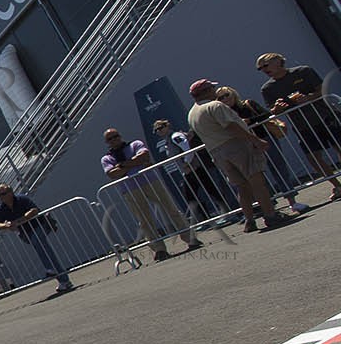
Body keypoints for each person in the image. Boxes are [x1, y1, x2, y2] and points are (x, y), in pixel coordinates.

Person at [188, 79, 290, 234]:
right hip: (236, 146)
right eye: (212, 88)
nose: (215, 91)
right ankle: (271, 215)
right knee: (257, 182)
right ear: (206, 91)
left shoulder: (192, 113)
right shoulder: (215, 106)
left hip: (217, 151)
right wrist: (254, 139)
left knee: (242, 187)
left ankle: (249, 220)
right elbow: (231, 125)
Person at [100, 127, 204, 262]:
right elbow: (112, 174)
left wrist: (122, 165)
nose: (114, 140)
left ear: (120, 136)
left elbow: (144, 156)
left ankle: (190, 238)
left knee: (171, 209)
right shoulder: (106, 158)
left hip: (151, 181)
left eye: (116, 136)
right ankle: (159, 249)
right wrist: (134, 162)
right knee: (144, 220)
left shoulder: (135, 144)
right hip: (130, 189)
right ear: (107, 142)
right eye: (110, 138)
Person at [257, 51, 341, 204]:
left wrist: (309, 97)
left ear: (278, 61)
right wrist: (277, 109)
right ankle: (336, 185)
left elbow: (322, 88)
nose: (264, 69)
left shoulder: (303, 71)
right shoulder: (267, 88)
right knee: (313, 158)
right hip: (302, 125)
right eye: (260, 68)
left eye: (265, 65)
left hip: (324, 116)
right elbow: (272, 110)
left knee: (338, 147)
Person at [217, 85, 306, 212]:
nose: (225, 99)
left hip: (265, 138)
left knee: (279, 168)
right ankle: (270, 205)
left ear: (234, 94)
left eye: (227, 95)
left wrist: (249, 121)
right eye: (220, 98)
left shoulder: (248, 104)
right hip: (246, 145)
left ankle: (292, 201)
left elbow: (266, 114)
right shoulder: (225, 115)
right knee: (258, 176)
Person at [0, 183, 74, 295]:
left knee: (38, 242)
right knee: (47, 252)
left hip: (39, 225)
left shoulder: (22, 199)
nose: (1, 197)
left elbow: (34, 210)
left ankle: (50, 269)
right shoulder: (2, 208)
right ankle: (64, 281)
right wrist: (6, 225)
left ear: (10, 192)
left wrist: (20, 220)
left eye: (3, 194)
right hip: (25, 232)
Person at [151, 118, 236, 227]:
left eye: (160, 128)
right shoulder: (168, 140)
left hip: (194, 169)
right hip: (188, 171)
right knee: (196, 194)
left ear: (167, 126)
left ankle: (226, 213)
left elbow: (187, 148)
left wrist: (187, 162)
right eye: (156, 130)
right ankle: (206, 219)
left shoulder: (175, 136)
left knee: (206, 191)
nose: (158, 131)